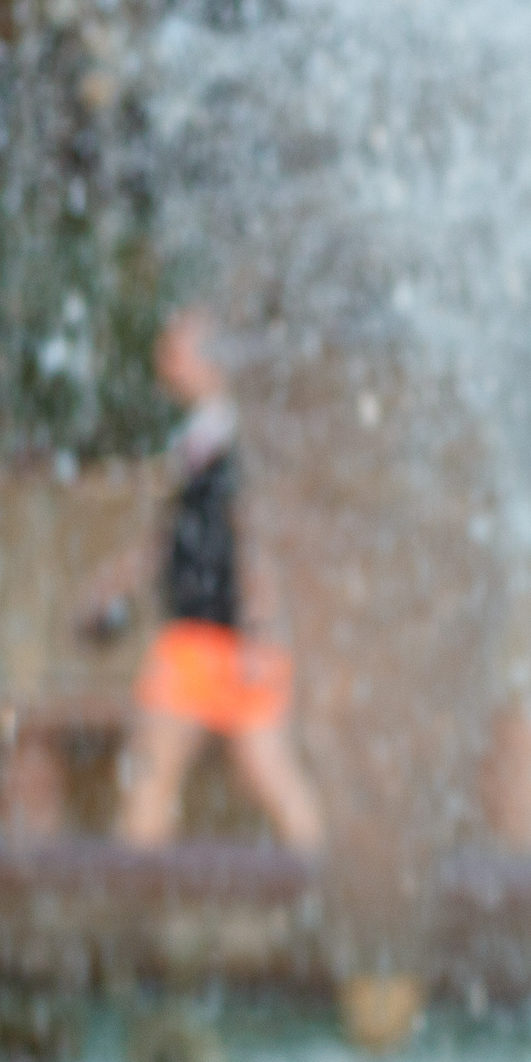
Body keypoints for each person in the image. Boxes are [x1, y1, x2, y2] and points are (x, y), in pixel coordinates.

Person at [87, 309, 324, 852]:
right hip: (208, 633)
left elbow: (256, 534)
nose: (167, 353)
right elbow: (172, 535)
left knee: (156, 771)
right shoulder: (201, 439)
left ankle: (134, 900)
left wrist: (262, 630)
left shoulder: (239, 439)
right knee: (263, 775)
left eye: (182, 344)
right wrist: (115, 583)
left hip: (214, 636)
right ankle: (328, 886)